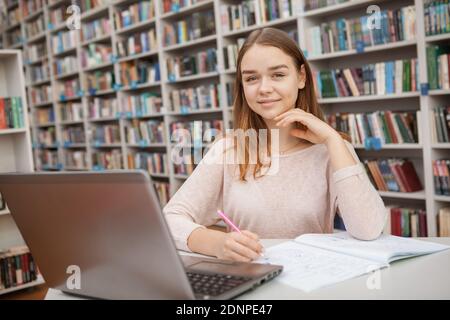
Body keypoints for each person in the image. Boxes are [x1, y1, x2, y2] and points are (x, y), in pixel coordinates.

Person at [163, 27, 386, 262]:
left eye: (278, 75)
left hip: (313, 281)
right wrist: (216, 243)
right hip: (249, 280)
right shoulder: (227, 149)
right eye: (251, 78)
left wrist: (333, 141)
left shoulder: (333, 150)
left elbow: (368, 230)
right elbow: (170, 218)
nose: (264, 88)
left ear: (301, 77)